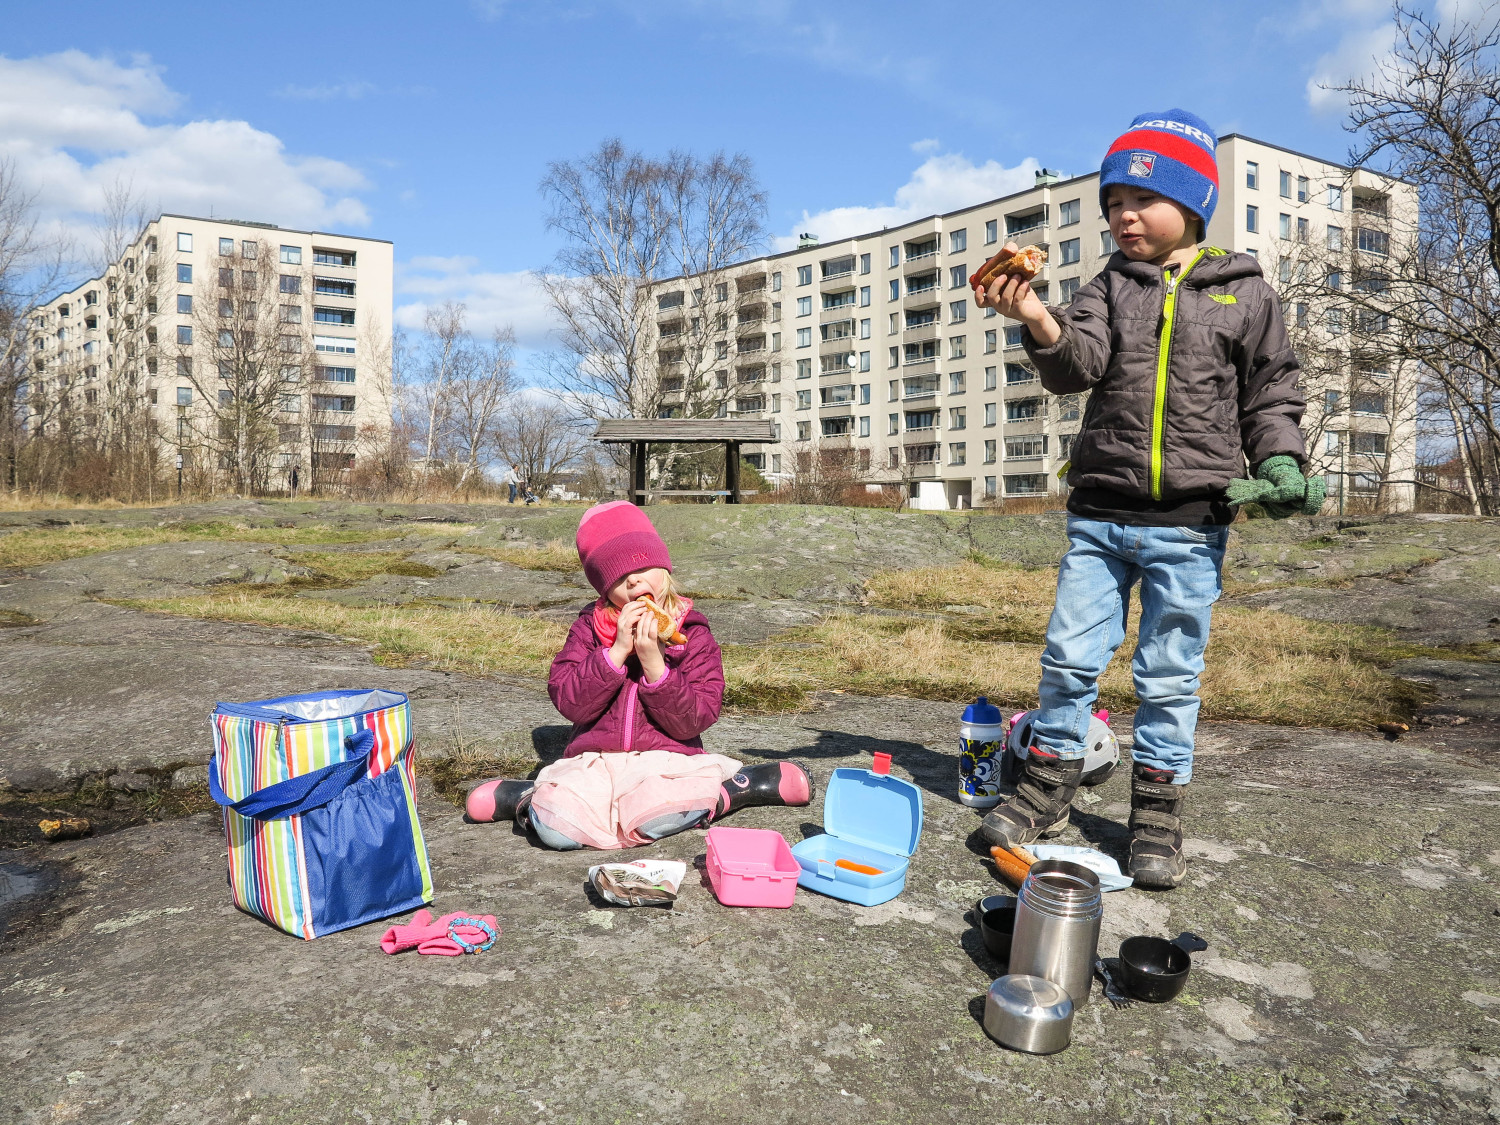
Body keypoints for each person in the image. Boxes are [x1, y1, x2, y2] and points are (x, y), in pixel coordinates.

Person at [973, 110, 1324, 889]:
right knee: (1069, 657)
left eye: (1140, 198)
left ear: (1192, 201)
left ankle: (1157, 817)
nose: (1122, 215)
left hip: (1192, 524)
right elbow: (1078, 364)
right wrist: (1035, 314)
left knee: (1170, 676)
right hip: (1100, 514)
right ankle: (1047, 784)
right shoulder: (1109, 285)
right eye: (1111, 202)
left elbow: (1272, 394)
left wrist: (1283, 461)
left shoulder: (1245, 292)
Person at [465, 501, 813, 848]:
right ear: (604, 589)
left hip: (666, 762)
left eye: (643, 565)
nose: (633, 579)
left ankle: (735, 790)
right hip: (593, 762)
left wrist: (655, 666)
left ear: (664, 568)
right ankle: (529, 799)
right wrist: (614, 654)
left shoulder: (693, 633)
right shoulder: (590, 628)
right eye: (617, 576)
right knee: (558, 833)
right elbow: (570, 702)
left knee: (658, 820)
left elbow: (696, 719)